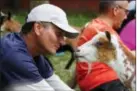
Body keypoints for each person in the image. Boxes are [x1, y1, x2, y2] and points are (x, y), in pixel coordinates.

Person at [0, 4, 79, 91]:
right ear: (38, 28)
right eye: (58, 34)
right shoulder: (14, 55)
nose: (63, 42)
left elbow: (60, 87)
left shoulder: (35, 54)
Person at [76, 0, 135, 91]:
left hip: (91, 82)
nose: (126, 17)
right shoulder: (105, 33)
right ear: (115, 10)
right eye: (126, 12)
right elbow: (130, 57)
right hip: (107, 83)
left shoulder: (93, 25)